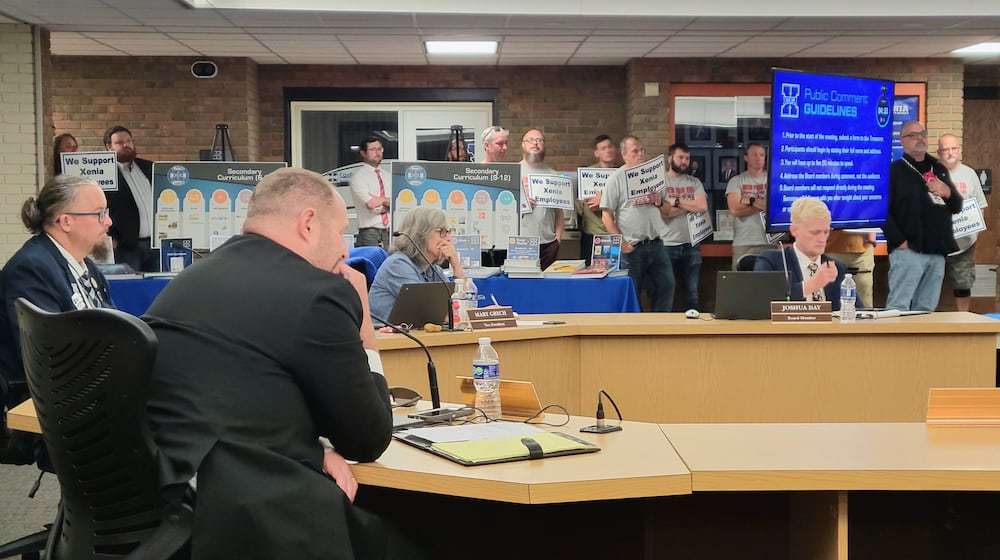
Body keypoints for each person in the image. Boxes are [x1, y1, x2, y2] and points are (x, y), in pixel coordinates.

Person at [144, 167, 419, 559]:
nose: (345, 251)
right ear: (308, 223)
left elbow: (229, 395)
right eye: (341, 231)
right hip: (258, 523)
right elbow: (369, 438)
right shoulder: (318, 294)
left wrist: (315, 447)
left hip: (174, 503)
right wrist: (364, 327)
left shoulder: (192, 278)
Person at [0, 175, 115, 463]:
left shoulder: (84, 264)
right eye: (100, 213)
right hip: (47, 407)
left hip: (87, 395)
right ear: (66, 222)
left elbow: (115, 328)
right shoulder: (31, 269)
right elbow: (51, 357)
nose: (109, 221)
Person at [884, 121, 963, 312]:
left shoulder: (939, 168)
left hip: (937, 251)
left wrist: (948, 192)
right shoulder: (893, 171)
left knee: (927, 309)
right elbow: (883, 212)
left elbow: (957, 206)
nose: (919, 139)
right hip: (908, 250)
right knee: (898, 307)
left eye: (923, 134)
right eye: (912, 135)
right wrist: (900, 242)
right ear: (902, 141)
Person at [600, 135, 673, 312]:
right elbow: (606, 216)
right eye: (635, 151)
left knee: (667, 285)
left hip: (656, 243)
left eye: (642, 150)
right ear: (624, 154)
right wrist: (622, 244)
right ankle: (635, 330)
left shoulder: (655, 177)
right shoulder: (616, 179)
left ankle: (660, 327)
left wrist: (659, 202)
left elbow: (668, 210)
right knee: (632, 292)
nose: (641, 154)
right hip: (632, 247)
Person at [368, 206, 465, 321]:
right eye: (442, 232)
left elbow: (459, 305)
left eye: (448, 232)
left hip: (414, 335)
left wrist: (456, 266)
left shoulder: (434, 270)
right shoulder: (398, 265)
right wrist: (462, 315)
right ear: (421, 234)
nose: (449, 238)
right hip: (386, 336)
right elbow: (428, 313)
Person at [755, 197, 846, 309]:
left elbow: (857, 310)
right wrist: (812, 285)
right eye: (815, 232)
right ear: (794, 230)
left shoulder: (835, 267)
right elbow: (761, 302)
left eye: (826, 232)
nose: (822, 239)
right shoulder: (772, 261)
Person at [938, 133, 988, 312]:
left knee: (963, 284)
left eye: (953, 149)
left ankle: (963, 320)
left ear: (959, 150)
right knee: (929, 283)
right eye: (946, 149)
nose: (950, 153)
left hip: (964, 244)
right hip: (936, 244)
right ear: (939, 152)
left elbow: (980, 206)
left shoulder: (969, 174)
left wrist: (975, 231)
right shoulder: (931, 174)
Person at [659, 142, 708, 311]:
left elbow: (702, 207)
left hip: (692, 243)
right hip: (666, 244)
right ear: (670, 159)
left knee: (692, 292)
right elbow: (664, 213)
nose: (684, 161)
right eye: (680, 157)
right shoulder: (660, 182)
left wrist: (677, 202)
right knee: (666, 291)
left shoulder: (694, 182)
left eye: (687, 158)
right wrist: (688, 207)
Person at [104, 125, 157, 271]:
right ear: (109, 147)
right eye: (120, 142)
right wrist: (110, 237)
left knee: (159, 288)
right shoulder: (105, 175)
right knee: (130, 288)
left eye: (129, 141)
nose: (126, 145)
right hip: (127, 246)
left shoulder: (149, 167)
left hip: (156, 244)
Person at [518, 129, 563, 269]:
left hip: (548, 244)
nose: (535, 143)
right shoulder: (512, 172)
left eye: (539, 140)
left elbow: (559, 212)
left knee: (546, 288)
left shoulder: (553, 175)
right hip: (520, 243)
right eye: (530, 140)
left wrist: (558, 239)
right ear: (523, 145)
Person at [725, 143, 773, 270]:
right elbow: (735, 210)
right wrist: (762, 203)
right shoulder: (736, 181)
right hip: (743, 243)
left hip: (768, 242)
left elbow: (774, 207)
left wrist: (750, 200)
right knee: (741, 286)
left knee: (770, 286)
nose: (758, 158)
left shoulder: (773, 180)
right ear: (746, 157)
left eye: (762, 155)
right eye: (754, 155)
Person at [577, 134, 618, 262]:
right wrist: (610, 202)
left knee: (616, 272)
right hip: (593, 234)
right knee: (591, 275)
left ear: (615, 149)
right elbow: (592, 205)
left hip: (616, 233)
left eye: (610, 147)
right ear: (597, 153)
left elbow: (627, 205)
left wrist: (604, 200)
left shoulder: (621, 174)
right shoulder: (588, 174)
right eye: (603, 148)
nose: (608, 150)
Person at [349, 136, 391, 248]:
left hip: (389, 233)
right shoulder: (358, 178)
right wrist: (389, 204)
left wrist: (381, 200)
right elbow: (372, 206)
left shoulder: (388, 176)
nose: (377, 153)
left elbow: (398, 203)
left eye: (379, 149)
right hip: (369, 233)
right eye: (372, 150)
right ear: (363, 153)